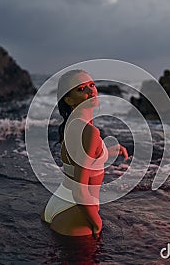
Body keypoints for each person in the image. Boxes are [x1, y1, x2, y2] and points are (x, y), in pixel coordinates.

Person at [41, 69, 128, 239]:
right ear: (69, 99)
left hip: (57, 202)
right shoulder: (90, 132)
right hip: (77, 209)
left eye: (92, 85)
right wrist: (97, 224)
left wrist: (108, 152)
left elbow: (78, 160)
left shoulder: (71, 123)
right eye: (81, 89)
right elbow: (80, 192)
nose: (91, 91)